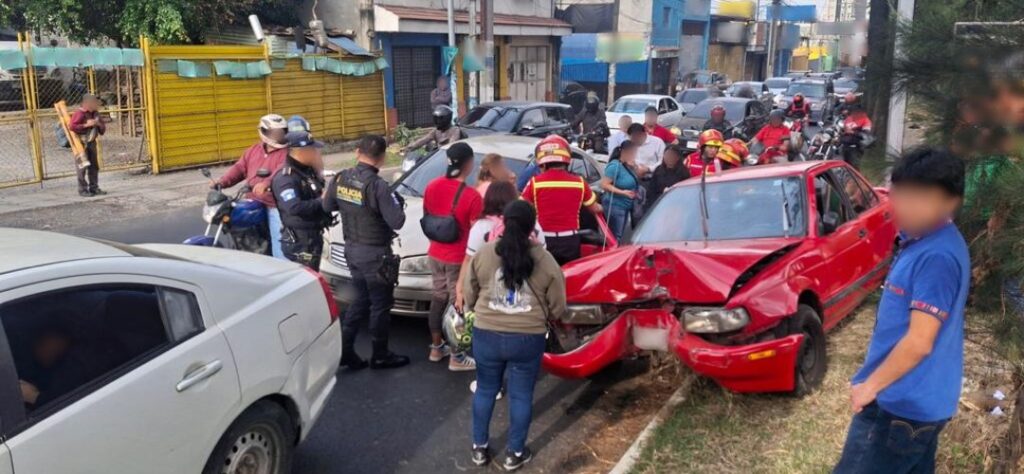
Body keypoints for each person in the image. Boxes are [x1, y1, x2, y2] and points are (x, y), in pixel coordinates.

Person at [834, 147, 969, 474]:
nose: (903, 206)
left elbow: (920, 341)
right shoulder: (921, 240)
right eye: (900, 195)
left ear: (949, 202)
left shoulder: (937, 257)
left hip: (900, 407)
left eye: (919, 198)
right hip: (918, 403)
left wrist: (871, 386)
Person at [463, 200, 566, 471]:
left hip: (486, 334)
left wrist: (480, 309)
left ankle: (479, 448)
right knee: (521, 396)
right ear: (533, 226)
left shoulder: (484, 252)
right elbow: (558, 305)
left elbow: (469, 292)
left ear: (504, 222)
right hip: (527, 338)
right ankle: (515, 453)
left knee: (486, 389)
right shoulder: (545, 259)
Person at [325, 134, 410, 370]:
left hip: (351, 250)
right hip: (375, 254)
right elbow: (397, 221)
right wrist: (395, 201)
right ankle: (380, 355)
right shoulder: (379, 186)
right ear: (382, 158)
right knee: (380, 304)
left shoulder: (341, 178)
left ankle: (345, 350)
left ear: (357, 152)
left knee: (361, 299)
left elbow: (327, 206)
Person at [423, 142, 483, 371]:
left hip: (435, 253)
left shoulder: (431, 186)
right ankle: (457, 357)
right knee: (458, 304)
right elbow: (476, 231)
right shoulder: (472, 196)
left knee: (437, 299)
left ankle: (436, 349)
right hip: (458, 258)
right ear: (468, 164)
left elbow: (427, 217)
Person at [214, 114, 290, 258]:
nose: (279, 136)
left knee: (280, 247)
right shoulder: (254, 150)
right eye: (275, 133)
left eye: (282, 132)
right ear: (263, 132)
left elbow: (282, 171)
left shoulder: (287, 153)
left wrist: (266, 184)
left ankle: (282, 271)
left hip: (274, 204)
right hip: (253, 201)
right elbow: (239, 168)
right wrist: (221, 181)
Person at [521, 135, 602, 264]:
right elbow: (594, 208)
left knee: (544, 277)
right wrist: (601, 206)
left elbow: (522, 208)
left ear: (543, 162)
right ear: (566, 160)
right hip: (570, 241)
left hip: (543, 239)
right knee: (568, 278)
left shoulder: (535, 183)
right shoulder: (579, 183)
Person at [271, 130, 331, 270]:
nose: (316, 152)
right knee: (305, 281)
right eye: (313, 149)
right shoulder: (286, 178)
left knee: (313, 276)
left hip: (312, 236)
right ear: (301, 151)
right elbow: (294, 207)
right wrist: (321, 201)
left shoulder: (306, 171)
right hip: (300, 241)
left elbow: (317, 187)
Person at [599, 141, 640, 240]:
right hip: (615, 206)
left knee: (620, 233)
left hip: (625, 205)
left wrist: (634, 167)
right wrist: (623, 192)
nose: (634, 155)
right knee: (616, 235)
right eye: (632, 152)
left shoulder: (626, 165)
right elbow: (604, 185)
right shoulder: (615, 166)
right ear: (624, 152)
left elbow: (636, 178)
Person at [69, 93, 106, 197]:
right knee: (82, 167)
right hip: (80, 144)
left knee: (94, 166)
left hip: (92, 143)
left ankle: (94, 188)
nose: (97, 104)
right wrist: (86, 125)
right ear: (87, 103)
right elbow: (72, 126)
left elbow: (103, 128)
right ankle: (83, 190)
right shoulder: (79, 113)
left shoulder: (95, 113)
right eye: (94, 102)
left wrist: (97, 124)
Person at [645, 144, 690, 211]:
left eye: (672, 155)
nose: (669, 158)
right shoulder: (659, 170)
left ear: (677, 157)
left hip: (675, 206)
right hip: (657, 204)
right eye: (667, 155)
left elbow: (685, 193)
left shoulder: (684, 172)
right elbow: (651, 190)